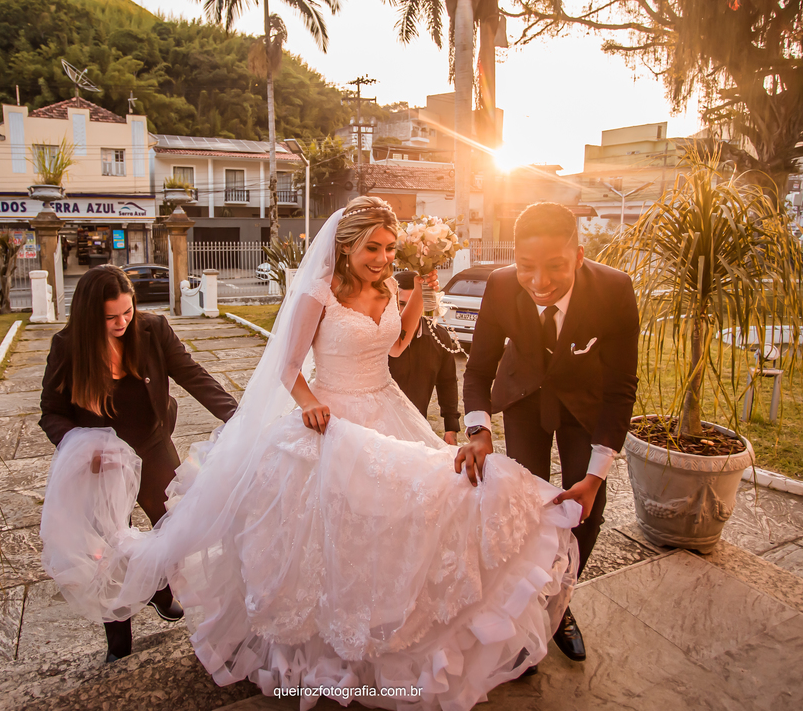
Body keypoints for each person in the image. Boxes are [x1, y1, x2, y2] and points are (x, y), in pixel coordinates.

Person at [39, 197, 580, 710]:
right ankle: (320, 642)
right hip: (332, 417)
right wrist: (307, 404)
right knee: (332, 532)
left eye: (390, 248)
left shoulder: (391, 285)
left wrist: (420, 293)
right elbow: (289, 367)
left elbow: (394, 345)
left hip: (385, 406)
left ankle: (395, 627)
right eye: (372, 248)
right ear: (345, 247)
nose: (383, 259)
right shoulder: (317, 293)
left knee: (410, 512)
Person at [458, 202, 639, 664]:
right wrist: (479, 429)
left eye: (555, 267)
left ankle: (559, 605)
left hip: (584, 400)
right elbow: (477, 369)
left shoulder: (615, 290)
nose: (540, 283)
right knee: (524, 504)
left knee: (584, 512)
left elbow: (621, 388)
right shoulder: (499, 285)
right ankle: (524, 614)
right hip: (523, 395)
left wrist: (596, 476)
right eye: (527, 267)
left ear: (578, 255)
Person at [39, 264, 237, 662]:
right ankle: (118, 642)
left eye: (127, 312)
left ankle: (160, 590)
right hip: (103, 465)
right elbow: (51, 412)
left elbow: (191, 374)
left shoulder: (153, 329)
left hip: (151, 444)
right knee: (108, 551)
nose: (121, 322)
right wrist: (81, 445)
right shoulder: (67, 345)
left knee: (170, 525)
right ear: (88, 315)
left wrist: (237, 416)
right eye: (110, 317)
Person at [388, 270, 462, 444]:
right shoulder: (381, 336)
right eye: (401, 304)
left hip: (418, 430)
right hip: (380, 430)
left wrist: (451, 427)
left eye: (413, 303)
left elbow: (448, 382)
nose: (406, 311)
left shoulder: (439, 337)